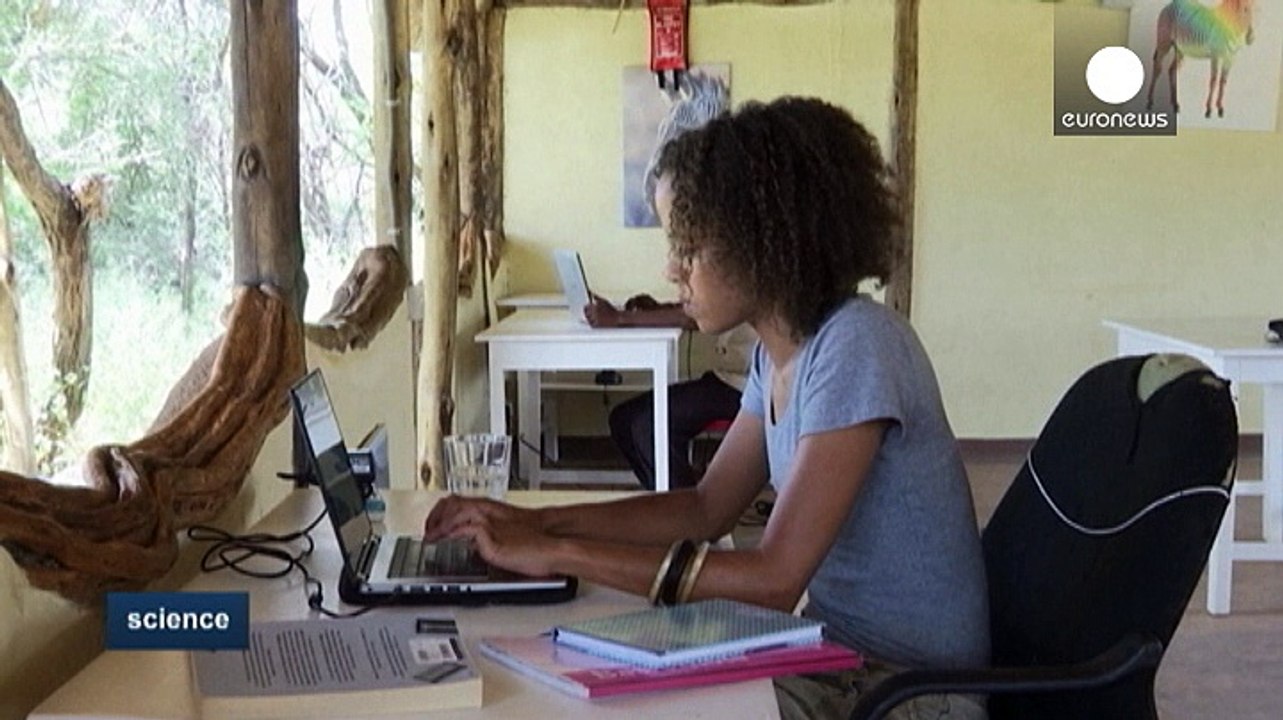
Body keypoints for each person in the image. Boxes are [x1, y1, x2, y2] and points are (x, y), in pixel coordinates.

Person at [425, 96, 990, 719]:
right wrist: (534, 523)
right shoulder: (777, 355)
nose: (672, 269)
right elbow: (705, 506)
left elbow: (775, 580)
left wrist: (559, 553)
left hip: (911, 695)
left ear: (766, 244)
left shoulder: (857, 343)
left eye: (690, 248)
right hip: (841, 663)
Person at [584, 293, 755, 490]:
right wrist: (658, 310)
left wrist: (621, 318)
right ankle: (666, 499)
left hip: (747, 387)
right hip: (727, 379)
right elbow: (702, 307)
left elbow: (698, 316)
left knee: (649, 425)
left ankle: (685, 513)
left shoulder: (752, 270)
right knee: (623, 419)